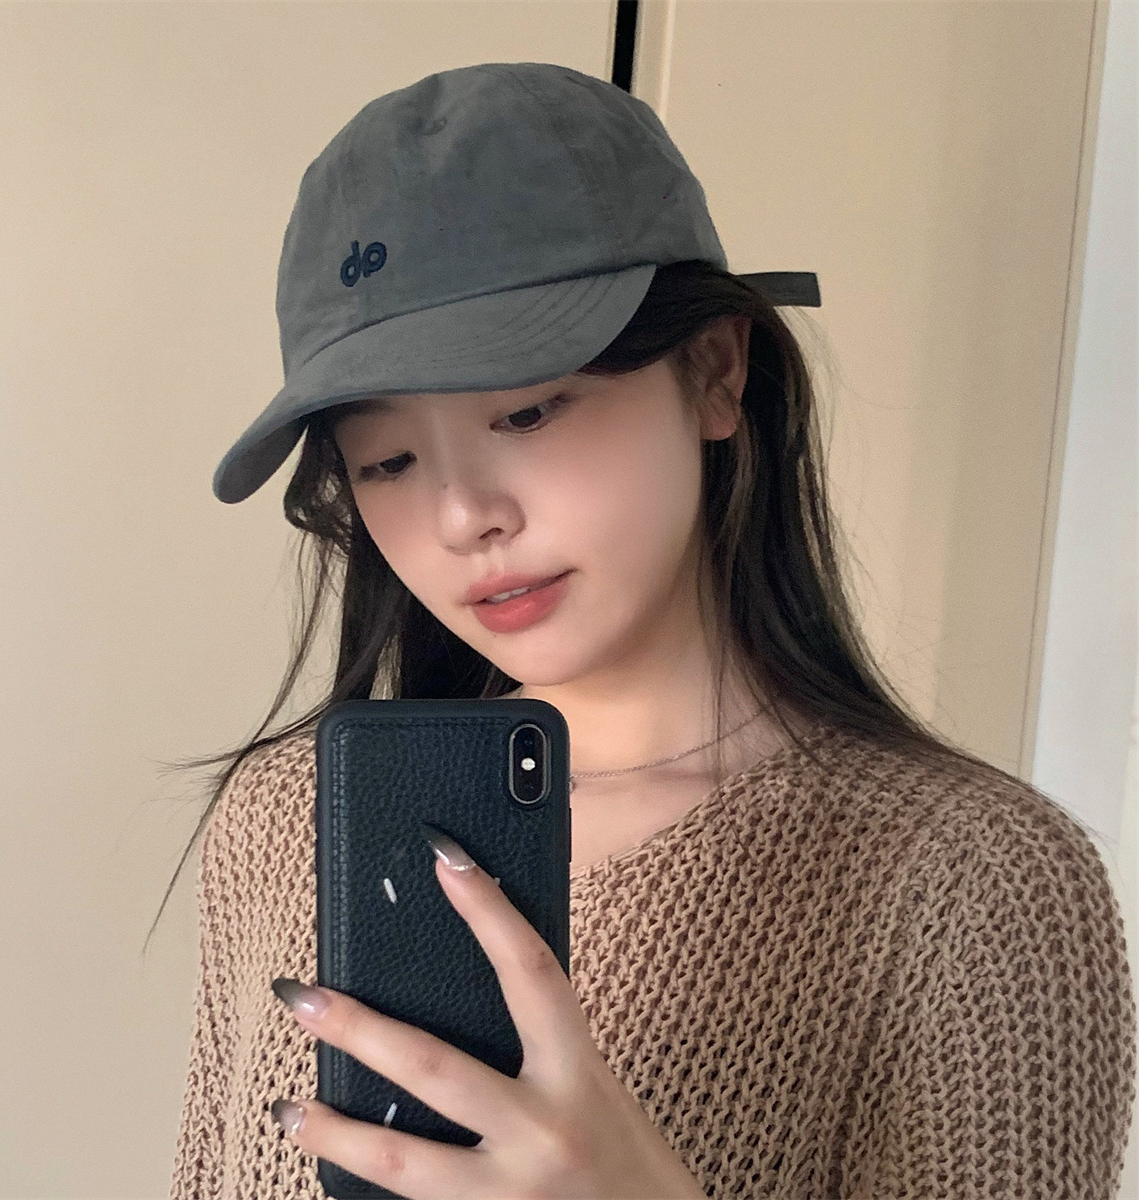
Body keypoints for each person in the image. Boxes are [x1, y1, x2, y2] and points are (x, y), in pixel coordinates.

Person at [162, 62, 1136, 1199]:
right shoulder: (286, 821)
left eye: (527, 410)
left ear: (714, 371)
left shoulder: (973, 891)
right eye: (386, 460)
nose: (464, 515)